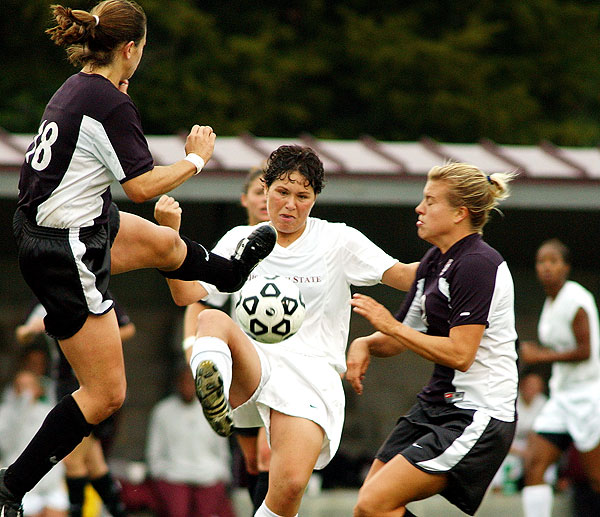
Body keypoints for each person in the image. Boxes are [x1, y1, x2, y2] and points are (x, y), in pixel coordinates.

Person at [0, 2, 276, 517]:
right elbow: (143, 186)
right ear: (130, 49)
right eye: (142, 52)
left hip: (67, 224)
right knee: (105, 394)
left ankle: (231, 271)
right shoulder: (108, 102)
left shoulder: (80, 86)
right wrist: (195, 158)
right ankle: (11, 486)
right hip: (65, 247)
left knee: (165, 246)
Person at [159, 144, 418, 517]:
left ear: (314, 198)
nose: (291, 204)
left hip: (310, 376)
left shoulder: (337, 240)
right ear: (265, 190)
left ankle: (219, 390)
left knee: (290, 486)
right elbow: (186, 294)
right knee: (211, 320)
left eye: (303, 196)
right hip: (255, 368)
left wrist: (454, 260)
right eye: (282, 192)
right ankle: (211, 387)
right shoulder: (240, 240)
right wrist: (171, 237)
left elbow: (403, 275)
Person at [345, 162, 519, 517]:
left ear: (460, 213)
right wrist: (364, 343)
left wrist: (390, 327)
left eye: (430, 201)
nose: (419, 208)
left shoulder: (478, 263)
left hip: (478, 411)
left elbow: (461, 355)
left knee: (373, 504)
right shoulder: (434, 261)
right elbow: (397, 340)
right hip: (436, 404)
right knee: (369, 509)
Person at [164, 165, 271, 513]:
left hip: (287, 370)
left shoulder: (306, 243)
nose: (268, 200)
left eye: (275, 193)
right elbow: (198, 300)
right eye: (259, 192)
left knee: (272, 460)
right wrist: (195, 351)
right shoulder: (236, 241)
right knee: (253, 464)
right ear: (245, 199)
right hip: (245, 367)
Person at [14, 297, 136, 517]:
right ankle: (119, 512)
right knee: (93, 460)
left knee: (73, 459)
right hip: (65, 384)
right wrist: (33, 329)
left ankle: (78, 512)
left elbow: (127, 329)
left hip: (96, 382)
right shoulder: (44, 298)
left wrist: (95, 338)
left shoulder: (93, 292)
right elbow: (22, 334)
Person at [519, 238, 600, 517]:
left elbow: (586, 351)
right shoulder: (550, 302)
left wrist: (539, 356)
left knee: (596, 478)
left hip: (588, 396)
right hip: (562, 397)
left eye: (553, 261)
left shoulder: (577, 300)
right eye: (541, 261)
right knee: (534, 464)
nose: (546, 267)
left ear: (565, 266)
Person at [146, 365, 236, 517]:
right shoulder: (162, 411)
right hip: (174, 477)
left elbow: (222, 449)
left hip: (209, 476)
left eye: (191, 382)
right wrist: (160, 475)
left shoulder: (212, 409)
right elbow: (154, 453)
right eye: (184, 381)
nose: (187, 386)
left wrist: (223, 475)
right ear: (177, 383)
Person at [0, 371, 68, 517]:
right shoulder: (5, 413)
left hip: (50, 483)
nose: (25, 390)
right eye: (20, 386)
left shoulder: (50, 412)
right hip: (21, 483)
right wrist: (22, 408)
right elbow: (7, 445)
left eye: (29, 386)